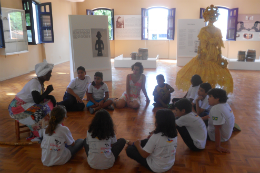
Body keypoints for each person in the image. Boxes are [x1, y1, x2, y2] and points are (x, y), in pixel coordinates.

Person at [175, 4, 233, 94]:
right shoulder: (203, 30)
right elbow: (202, 44)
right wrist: (201, 54)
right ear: (206, 17)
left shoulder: (218, 30)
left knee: (214, 72)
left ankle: (210, 90)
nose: (212, 18)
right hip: (205, 54)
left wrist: (219, 55)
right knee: (203, 71)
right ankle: (202, 90)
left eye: (214, 16)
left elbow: (219, 45)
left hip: (214, 54)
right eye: (210, 16)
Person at [8, 60, 56, 140]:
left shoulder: (39, 82)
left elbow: (39, 98)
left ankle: (49, 127)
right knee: (42, 111)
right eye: (49, 73)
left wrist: (50, 96)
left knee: (49, 103)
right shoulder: (35, 83)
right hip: (17, 108)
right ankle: (40, 132)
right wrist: (48, 91)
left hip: (25, 104)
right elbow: (37, 100)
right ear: (43, 74)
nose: (51, 75)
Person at [207, 88, 235, 153]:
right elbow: (210, 117)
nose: (208, 98)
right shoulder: (225, 104)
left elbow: (217, 128)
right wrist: (200, 118)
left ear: (217, 98)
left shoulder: (216, 109)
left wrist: (218, 146)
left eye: (210, 96)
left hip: (216, 137)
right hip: (226, 136)